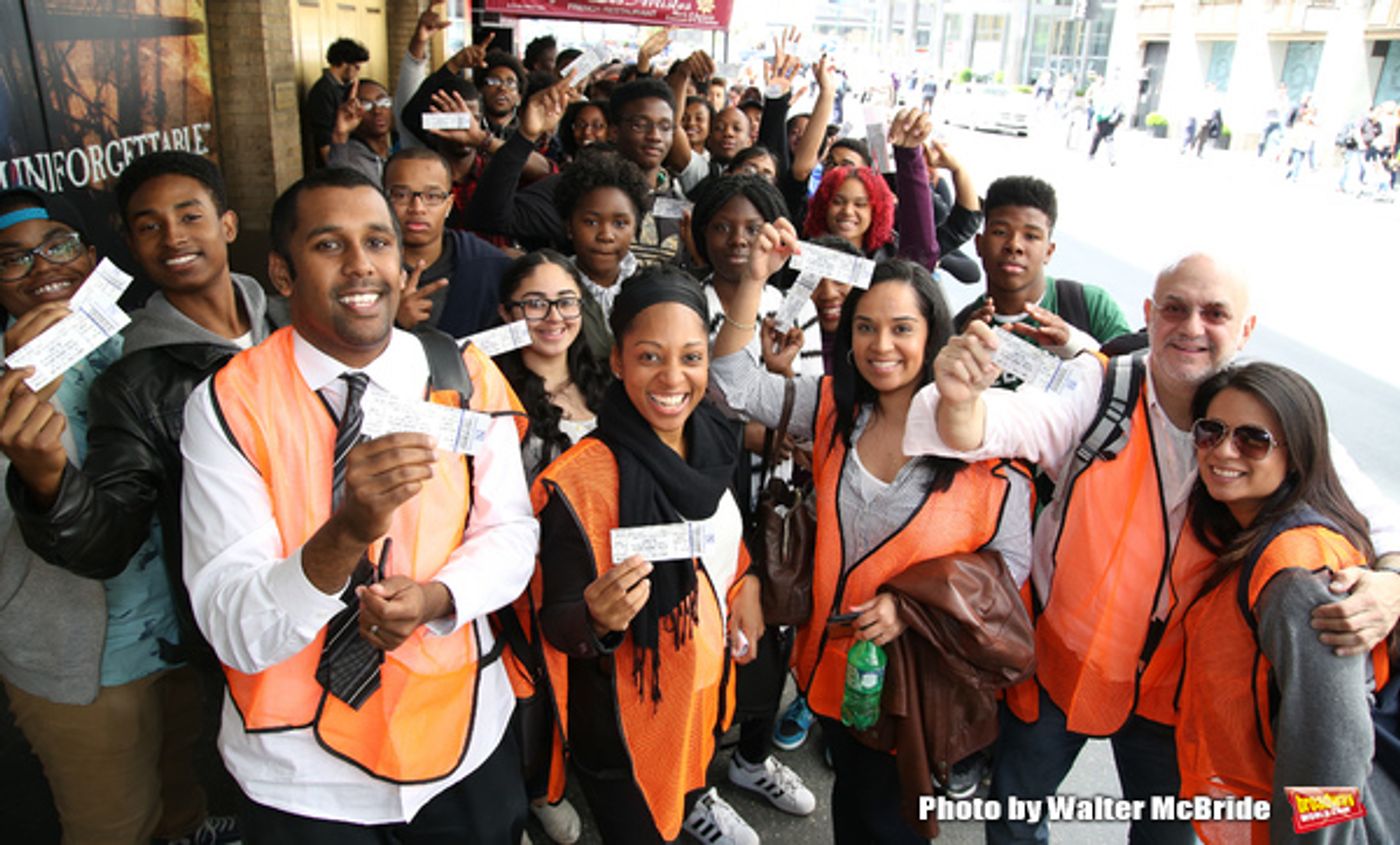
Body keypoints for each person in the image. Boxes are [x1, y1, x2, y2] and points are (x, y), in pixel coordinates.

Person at [903, 252, 1400, 844]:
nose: (1192, 327)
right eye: (1175, 308)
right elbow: (1002, 425)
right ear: (1149, 314)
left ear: (1246, 330)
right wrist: (959, 400)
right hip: (1068, 665)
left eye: (1215, 314)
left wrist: (1390, 583)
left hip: (1178, 698)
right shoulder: (1102, 387)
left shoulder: (1272, 422)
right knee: (1014, 814)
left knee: (1165, 833)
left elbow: (1377, 521)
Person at [180, 167, 536, 840]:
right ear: (282, 275)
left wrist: (436, 598)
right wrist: (348, 531)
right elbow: (231, 621)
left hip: (457, 732)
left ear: (404, 268)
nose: (359, 265)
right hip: (302, 773)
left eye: (378, 242)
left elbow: (511, 531)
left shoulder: (461, 373)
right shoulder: (229, 402)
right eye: (328, 245)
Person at [711, 221, 1035, 842]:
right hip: (830, 670)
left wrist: (913, 607)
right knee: (855, 810)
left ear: (934, 336)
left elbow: (1011, 561)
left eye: (902, 329)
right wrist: (753, 281)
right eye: (866, 327)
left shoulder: (983, 446)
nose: (881, 345)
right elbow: (733, 386)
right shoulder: (836, 408)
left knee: (889, 820)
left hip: (912, 686)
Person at [0, 186, 239, 845]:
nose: (44, 267)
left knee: (182, 776)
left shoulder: (138, 340)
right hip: (83, 659)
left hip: (177, 626)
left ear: (92, 257)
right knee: (112, 821)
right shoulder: (5, 382)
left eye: (58, 245)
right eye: (13, 258)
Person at [8, 151, 275, 660]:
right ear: (130, 245)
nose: (173, 237)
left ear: (229, 224)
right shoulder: (131, 381)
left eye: (190, 216)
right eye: (150, 226)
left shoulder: (292, 321)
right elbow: (109, 539)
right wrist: (45, 481)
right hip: (237, 626)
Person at [531, 267, 765, 845]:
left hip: (703, 681)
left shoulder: (715, 439)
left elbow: (728, 540)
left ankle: (695, 799)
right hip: (624, 718)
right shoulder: (577, 482)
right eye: (650, 357)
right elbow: (556, 621)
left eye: (691, 358)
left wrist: (749, 584)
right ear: (616, 361)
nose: (672, 378)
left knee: (688, 780)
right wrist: (597, 619)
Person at [1175, 362, 1400, 844]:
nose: (1223, 451)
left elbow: (1332, 752)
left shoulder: (1297, 570)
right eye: (1211, 431)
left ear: (1295, 455)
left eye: (1252, 440)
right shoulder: (1245, 533)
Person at [955, 175, 1131, 350]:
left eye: (1031, 236)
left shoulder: (1090, 305)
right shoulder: (959, 329)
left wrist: (1075, 345)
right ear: (979, 244)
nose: (1014, 245)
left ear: (1049, 251)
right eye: (1000, 232)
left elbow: (1137, 371)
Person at [382, 147, 512, 337]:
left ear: (449, 205)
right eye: (401, 195)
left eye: (432, 196)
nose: (417, 208)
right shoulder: (364, 267)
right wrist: (394, 324)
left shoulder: (489, 266)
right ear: (383, 200)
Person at [803, 109, 939, 272]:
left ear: (876, 212)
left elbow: (921, 256)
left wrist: (909, 154)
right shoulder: (803, 251)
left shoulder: (889, 260)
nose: (847, 211)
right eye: (838, 202)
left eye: (860, 204)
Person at [304, 37, 369, 167]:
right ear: (344, 63)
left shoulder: (344, 88)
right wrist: (336, 166)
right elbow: (323, 136)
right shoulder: (323, 92)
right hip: (335, 160)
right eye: (356, 66)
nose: (358, 71)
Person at [326, 78, 396, 187]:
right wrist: (340, 134)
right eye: (366, 105)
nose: (377, 110)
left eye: (383, 102)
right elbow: (339, 184)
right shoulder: (351, 158)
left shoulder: (397, 151)